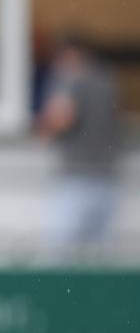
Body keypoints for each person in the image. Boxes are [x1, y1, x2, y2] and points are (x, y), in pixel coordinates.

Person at [35, 35, 122, 263]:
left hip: (77, 179)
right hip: (108, 178)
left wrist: (43, 129)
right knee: (101, 260)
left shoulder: (70, 82)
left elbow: (60, 119)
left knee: (58, 256)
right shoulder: (107, 82)